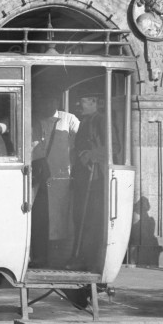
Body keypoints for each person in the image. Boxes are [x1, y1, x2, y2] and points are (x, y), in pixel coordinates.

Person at [30, 97, 79, 268]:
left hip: (61, 177)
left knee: (61, 220)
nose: (47, 104)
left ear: (56, 102)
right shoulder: (35, 120)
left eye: (50, 101)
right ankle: (40, 258)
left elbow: (79, 137)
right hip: (40, 176)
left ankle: (58, 259)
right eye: (44, 101)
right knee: (40, 218)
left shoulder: (69, 119)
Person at [70, 88, 108, 268]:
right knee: (79, 218)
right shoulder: (85, 121)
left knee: (90, 219)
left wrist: (92, 155)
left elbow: (113, 147)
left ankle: (87, 260)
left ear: (93, 102)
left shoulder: (102, 120)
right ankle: (78, 257)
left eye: (82, 101)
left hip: (96, 178)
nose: (78, 105)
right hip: (83, 176)